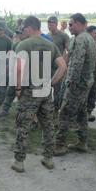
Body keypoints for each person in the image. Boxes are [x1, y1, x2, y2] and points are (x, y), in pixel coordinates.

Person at [11, 16, 66, 172]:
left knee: (23, 126)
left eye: (24, 29)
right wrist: (52, 82)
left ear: (29, 28)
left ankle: (19, 162)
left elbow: (19, 68)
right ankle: (48, 158)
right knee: (48, 125)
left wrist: (18, 88)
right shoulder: (51, 45)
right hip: (45, 90)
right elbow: (62, 67)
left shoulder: (23, 45)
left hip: (29, 90)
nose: (23, 31)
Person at [54, 13, 96, 155]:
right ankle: (82, 142)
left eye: (71, 24)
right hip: (85, 83)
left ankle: (59, 145)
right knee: (81, 114)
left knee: (65, 112)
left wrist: (70, 84)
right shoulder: (88, 38)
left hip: (77, 84)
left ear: (79, 24)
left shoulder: (81, 40)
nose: (69, 27)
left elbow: (76, 64)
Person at [0, 25, 26, 118]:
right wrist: (8, 67)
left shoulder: (27, 44)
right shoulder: (15, 44)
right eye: (17, 33)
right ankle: (4, 110)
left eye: (19, 33)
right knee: (10, 92)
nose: (17, 35)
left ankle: (24, 113)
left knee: (23, 94)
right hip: (14, 72)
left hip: (24, 73)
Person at [47, 16, 70, 111]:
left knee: (58, 90)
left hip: (58, 68)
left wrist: (65, 64)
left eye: (51, 24)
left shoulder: (63, 36)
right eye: (48, 24)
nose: (49, 26)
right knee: (47, 89)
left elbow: (69, 51)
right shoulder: (47, 36)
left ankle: (57, 109)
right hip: (48, 67)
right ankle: (47, 108)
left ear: (56, 24)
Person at [86, 26, 96, 122]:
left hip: (94, 73)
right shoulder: (84, 44)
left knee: (93, 93)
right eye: (95, 33)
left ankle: (89, 112)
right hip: (85, 74)